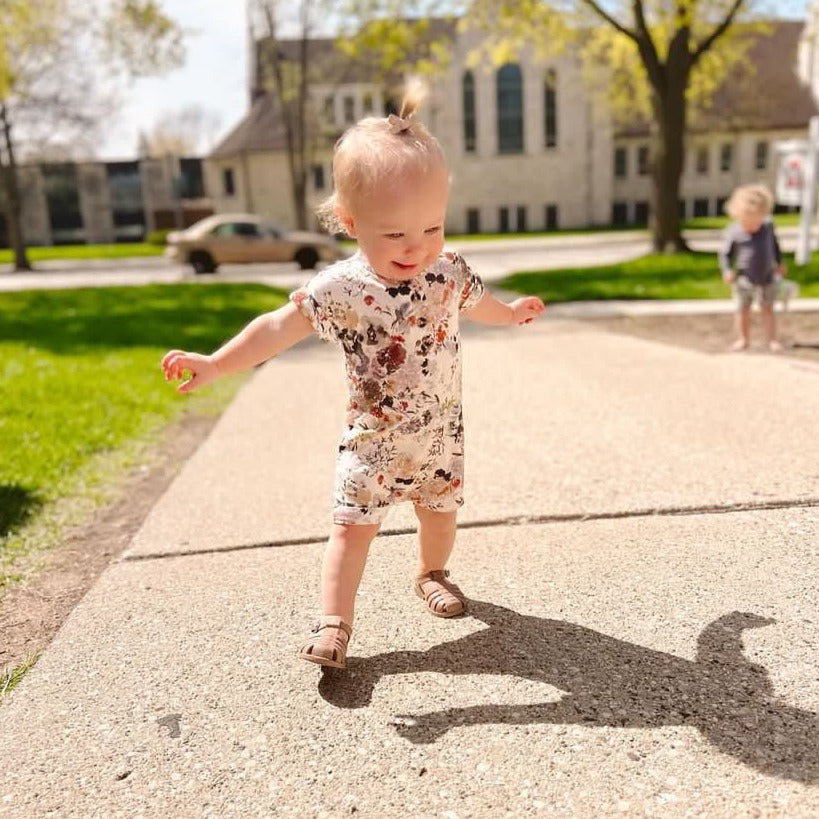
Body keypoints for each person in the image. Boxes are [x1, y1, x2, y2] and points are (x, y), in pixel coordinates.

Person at [161, 80, 545, 670]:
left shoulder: (447, 274)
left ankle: (431, 573)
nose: (416, 246)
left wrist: (511, 313)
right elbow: (275, 327)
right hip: (371, 443)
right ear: (349, 218)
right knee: (350, 531)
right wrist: (215, 364)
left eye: (433, 228)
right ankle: (334, 623)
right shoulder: (339, 288)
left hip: (438, 436)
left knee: (440, 519)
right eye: (394, 233)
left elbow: (480, 301)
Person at [718, 184, 787, 352]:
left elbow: (775, 247)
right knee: (743, 309)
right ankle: (743, 338)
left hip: (767, 276)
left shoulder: (768, 228)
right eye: (747, 220)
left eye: (756, 220)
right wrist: (727, 270)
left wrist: (779, 263)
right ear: (738, 215)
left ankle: (772, 339)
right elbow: (725, 254)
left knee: (768, 308)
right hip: (744, 277)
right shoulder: (734, 232)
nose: (752, 225)